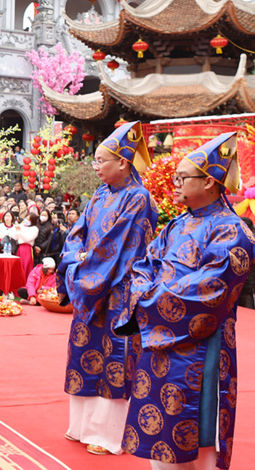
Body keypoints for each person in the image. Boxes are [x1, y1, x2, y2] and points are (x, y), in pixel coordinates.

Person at [113, 132, 255, 470]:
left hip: (198, 346)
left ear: (209, 182)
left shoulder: (233, 231)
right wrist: (147, 294)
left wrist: (149, 300)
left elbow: (208, 291)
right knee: (160, 433)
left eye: (182, 178)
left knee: (197, 434)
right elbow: (144, 266)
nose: (175, 184)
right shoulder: (177, 224)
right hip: (159, 338)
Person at [56, 120, 157, 456]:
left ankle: (107, 435)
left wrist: (84, 270)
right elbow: (77, 233)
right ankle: (81, 426)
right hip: (90, 282)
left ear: (123, 162)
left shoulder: (138, 197)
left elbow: (119, 247)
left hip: (119, 291)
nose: (96, 167)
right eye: (95, 161)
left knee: (114, 358)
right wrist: (75, 259)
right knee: (85, 353)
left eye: (101, 161)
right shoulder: (99, 194)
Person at [14, 211, 39, 278]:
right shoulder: (21, 225)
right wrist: (17, 229)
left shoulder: (34, 229)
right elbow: (15, 237)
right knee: (19, 266)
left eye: (29, 219)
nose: (26, 220)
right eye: (26, 218)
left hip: (27, 248)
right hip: (20, 247)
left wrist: (20, 231)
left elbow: (27, 239)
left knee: (26, 266)